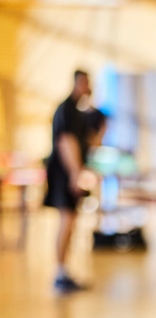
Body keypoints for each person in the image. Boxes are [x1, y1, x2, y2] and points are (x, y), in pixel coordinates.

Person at [43, 69, 93, 293]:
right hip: (64, 173)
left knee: (70, 221)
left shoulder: (76, 110)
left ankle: (64, 271)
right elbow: (66, 142)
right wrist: (75, 172)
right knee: (67, 220)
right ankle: (60, 272)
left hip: (69, 172)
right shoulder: (67, 110)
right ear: (78, 83)